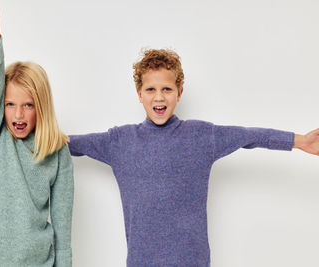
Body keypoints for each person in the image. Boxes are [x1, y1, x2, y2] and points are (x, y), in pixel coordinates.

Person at [68, 49, 319, 266]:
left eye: (167, 89)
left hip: (193, 261)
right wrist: (31, 136)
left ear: (179, 92)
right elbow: (71, 144)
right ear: (139, 93)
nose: (158, 97)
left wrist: (299, 141)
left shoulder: (201, 136)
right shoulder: (120, 141)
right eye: (151, 89)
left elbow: (248, 136)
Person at [0, 2, 73, 266]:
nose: (18, 115)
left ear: (41, 106)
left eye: (28, 105)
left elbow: (63, 229)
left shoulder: (57, 152)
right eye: (10, 105)